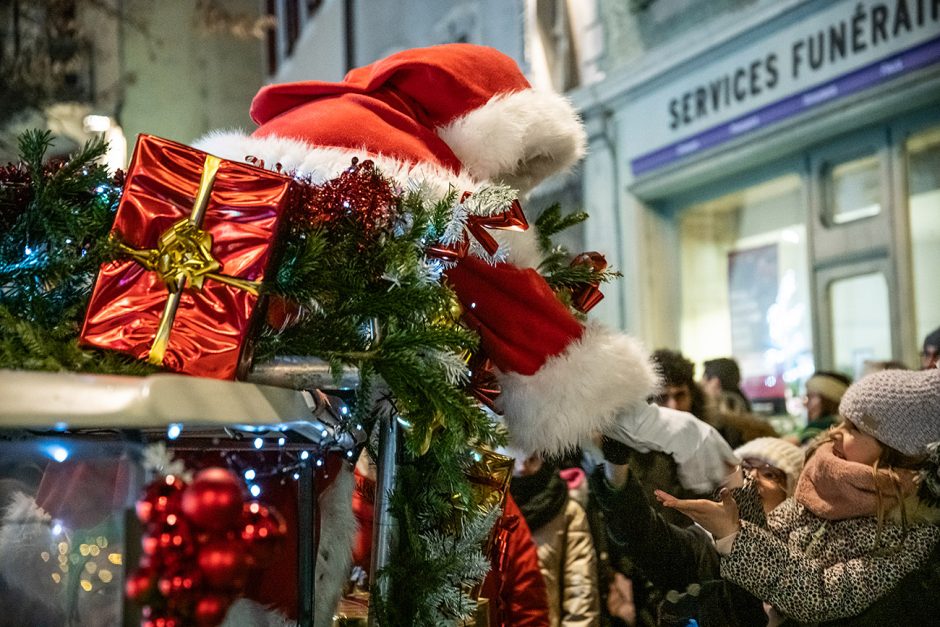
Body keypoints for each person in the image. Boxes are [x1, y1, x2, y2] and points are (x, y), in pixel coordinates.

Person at [657, 368, 940, 624]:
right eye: (842, 421)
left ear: (896, 449)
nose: (835, 433)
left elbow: (823, 595)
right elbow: (773, 537)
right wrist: (735, 487)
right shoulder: (822, 480)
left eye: (855, 428)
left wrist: (734, 535)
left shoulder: (908, 527)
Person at [590, 436, 803, 627]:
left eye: (770, 473)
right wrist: (616, 470)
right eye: (745, 468)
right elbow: (646, 536)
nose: (753, 478)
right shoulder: (707, 544)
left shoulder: (801, 563)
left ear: (793, 491)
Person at [509, 453, 600, 626]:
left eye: (530, 453)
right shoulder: (488, 508)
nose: (523, 462)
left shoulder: (566, 510)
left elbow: (580, 595)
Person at [796, 371, 851, 445]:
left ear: (830, 400)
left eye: (811, 396)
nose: (805, 403)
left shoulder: (817, 428)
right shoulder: (852, 429)